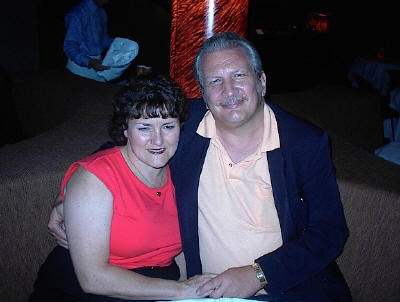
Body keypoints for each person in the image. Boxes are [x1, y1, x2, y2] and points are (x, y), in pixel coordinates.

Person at [49, 32, 352, 301]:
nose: (229, 91)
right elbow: (126, 147)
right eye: (215, 82)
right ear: (204, 94)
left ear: (261, 82)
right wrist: (68, 197)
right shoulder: (183, 125)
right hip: (200, 289)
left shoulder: (303, 143)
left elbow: (329, 230)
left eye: (239, 76)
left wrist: (260, 274)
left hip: (283, 289)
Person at [30, 74, 213, 302]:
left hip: (159, 286)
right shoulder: (94, 179)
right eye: (144, 128)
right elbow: (92, 278)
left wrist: (188, 290)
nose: (158, 141)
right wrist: (181, 290)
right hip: (86, 291)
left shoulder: (179, 170)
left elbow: (181, 251)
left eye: (167, 126)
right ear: (126, 129)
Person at [64, 0, 138, 82]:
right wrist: (90, 62)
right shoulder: (77, 13)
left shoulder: (101, 11)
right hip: (79, 67)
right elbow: (69, 46)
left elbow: (102, 40)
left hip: (97, 63)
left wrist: (121, 44)